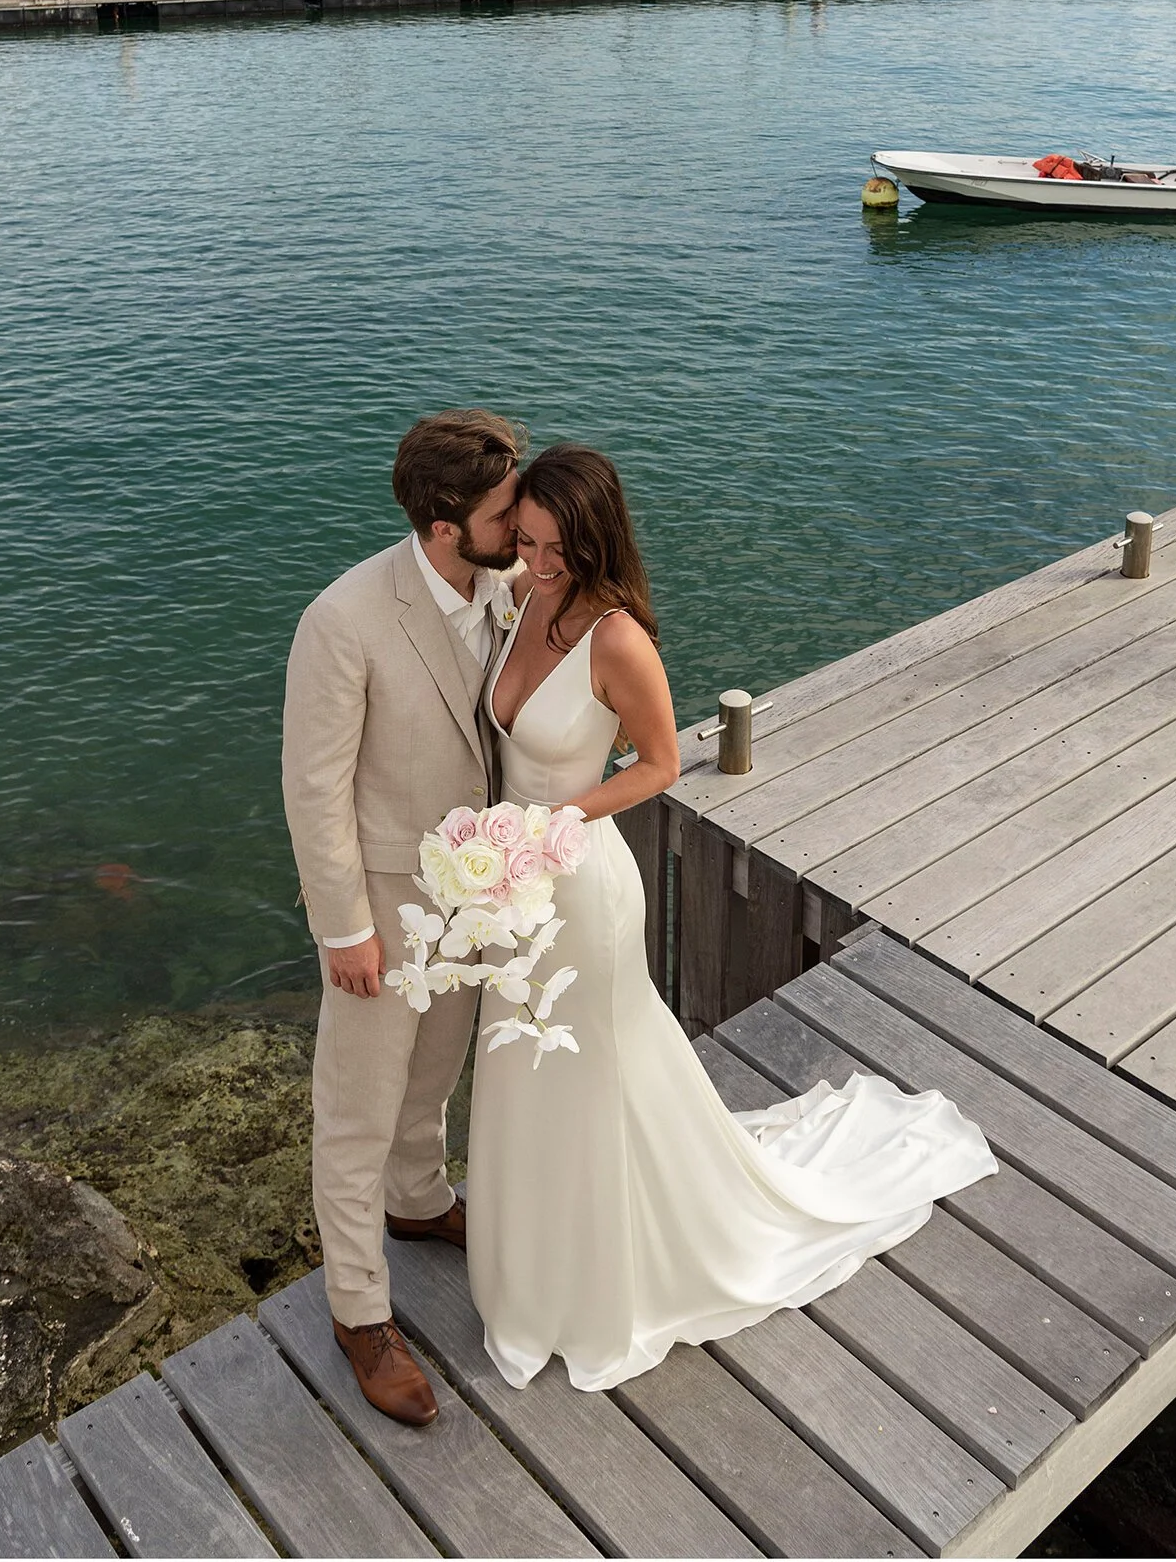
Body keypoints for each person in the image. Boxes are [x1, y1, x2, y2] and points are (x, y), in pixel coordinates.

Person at [467, 442, 997, 1392]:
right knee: (518, 1069)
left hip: (577, 885)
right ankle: (529, 1270)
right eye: (527, 542)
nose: (536, 564)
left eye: (553, 549)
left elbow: (660, 767)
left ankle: (596, 1284)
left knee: (585, 1076)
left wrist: (557, 818)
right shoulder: (518, 598)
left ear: (592, 540)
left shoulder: (617, 638)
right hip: (509, 885)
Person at [283, 408, 525, 1425]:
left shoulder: (511, 583)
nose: (523, 522)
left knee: (436, 1066)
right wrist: (346, 928)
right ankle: (357, 1311)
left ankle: (418, 1199)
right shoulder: (343, 618)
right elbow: (313, 784)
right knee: (356, 1109)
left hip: (473, 889)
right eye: (506, 509)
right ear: (442, 522)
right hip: (385, 901)